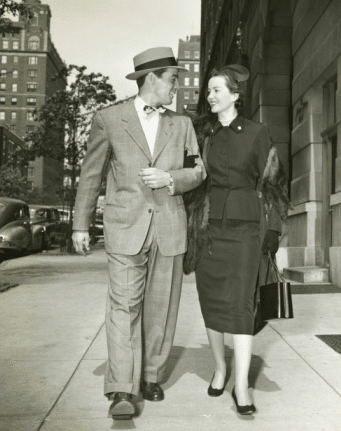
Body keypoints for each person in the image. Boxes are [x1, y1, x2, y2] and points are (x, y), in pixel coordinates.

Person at [72, 47, 205, 420]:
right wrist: (80, 224)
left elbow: (198, 171)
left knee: (161, 309)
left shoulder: (182, 124)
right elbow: (91, 174)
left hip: (169, 226)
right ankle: (121, 389)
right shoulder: (109, 118)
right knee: (122, 308)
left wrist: (171, 179)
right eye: (173, 79)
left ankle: (150, 376)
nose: (176, 87)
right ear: (152, 79)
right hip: (124, 227)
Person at [183, 64, 291, 415]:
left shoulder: (258, 133)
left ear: (234, 94)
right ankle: (220, 369)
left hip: (246, 233)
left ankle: (241, 386)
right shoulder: (202, 134)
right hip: (207, 231)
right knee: (212, 302)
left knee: (242, 306)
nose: (210, 96)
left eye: (216, 90)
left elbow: (274, 183)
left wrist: (273, 230)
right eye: (208, 90)